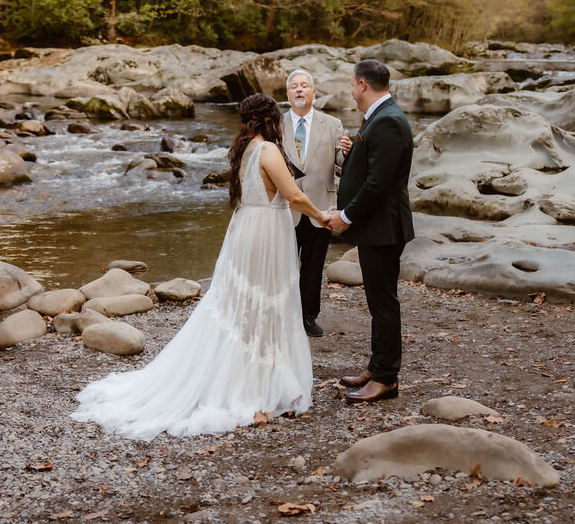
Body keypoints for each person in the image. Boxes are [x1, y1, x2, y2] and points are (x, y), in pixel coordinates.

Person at [72, 94, 329, 440]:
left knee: (244, 304)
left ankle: (254, 371)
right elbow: (294, 196)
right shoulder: (268, 151)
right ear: (270, 119)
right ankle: (256, 382)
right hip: (266, 233)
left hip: (247, 229)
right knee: (266, 300)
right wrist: (323, 217)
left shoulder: (245, 149)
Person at [323, 59, 414, 404]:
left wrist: (346, 216)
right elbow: (371, 168)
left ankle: (387, 379)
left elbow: (378, 184)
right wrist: (353, 152)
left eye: (352, 84)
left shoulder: (388, 120)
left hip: (384, 228)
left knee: (384, 303)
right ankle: (377, 367)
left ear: (362, 85)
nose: (350, 89)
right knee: (378, 302)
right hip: (376, 227)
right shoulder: (380, 116)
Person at [282, 69, 352, 338]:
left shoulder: (332, 124)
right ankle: (284, 315)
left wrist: (348, 152)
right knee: (283, 265)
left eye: (304, 86)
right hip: (285, 209)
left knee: (313, 266)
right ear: (288, 94)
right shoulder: (276, 124)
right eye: (294, 86)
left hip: (321, 207)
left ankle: (308, 317)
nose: (299, 90)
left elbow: (342, 165)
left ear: (313, 93)